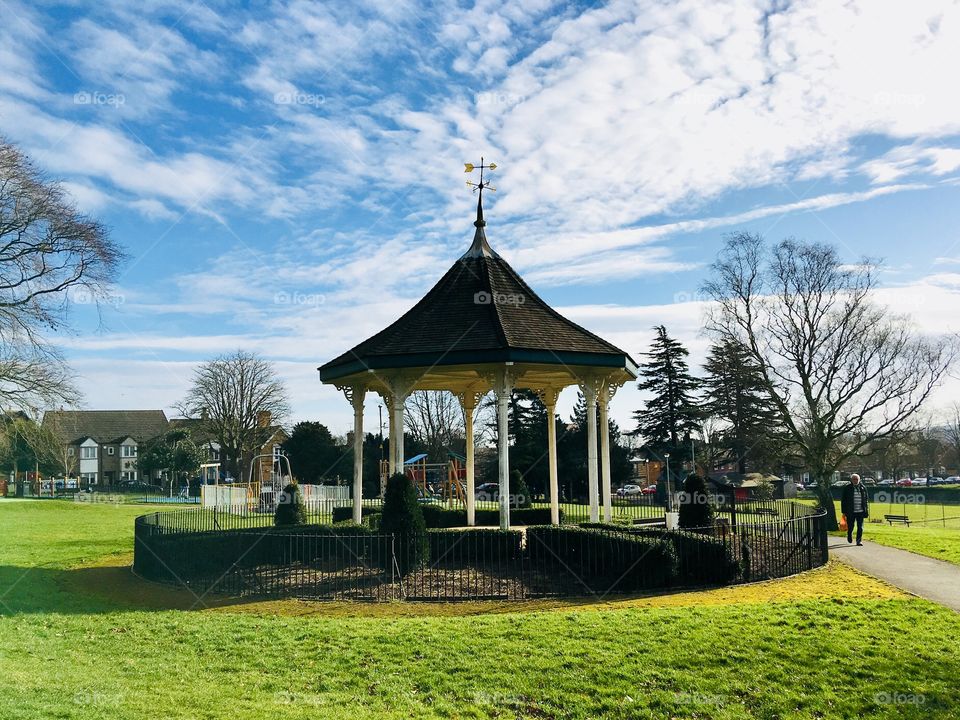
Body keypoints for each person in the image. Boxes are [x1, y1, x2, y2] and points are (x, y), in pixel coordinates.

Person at [841, 474, 869, 545]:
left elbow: (866, 500)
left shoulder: (863, 488)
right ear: (851, 480)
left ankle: (859, 541)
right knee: (851, 526)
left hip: (860, 511)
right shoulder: (847, 488)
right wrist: (844, 511)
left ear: (859, 480)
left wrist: (866, 510)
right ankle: (849, 534)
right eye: (854, 479)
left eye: (856, 479)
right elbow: (843, 500)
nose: (855, 481)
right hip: (851, 511)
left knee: (860, 527)